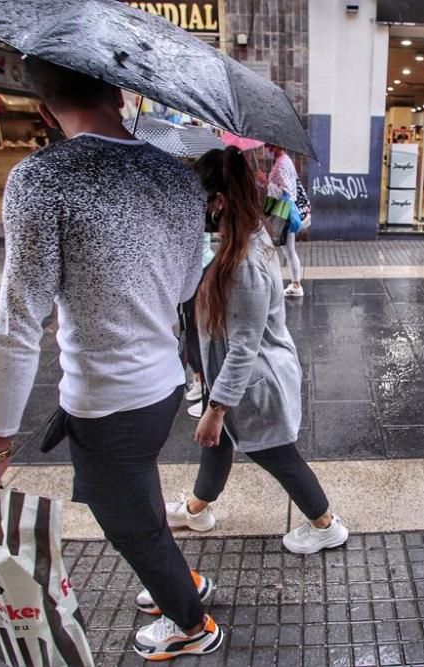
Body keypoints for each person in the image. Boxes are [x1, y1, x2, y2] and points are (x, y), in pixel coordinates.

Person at [0, 58, 223, 660]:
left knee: (127, 519)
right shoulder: (177, 177)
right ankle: (180, 582)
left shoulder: (42, 179)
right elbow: (185, 287)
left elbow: (17, 323)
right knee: (139, 497)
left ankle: (191, 624)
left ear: (47, 110)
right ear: (118, 93)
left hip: (106, 397)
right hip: (163, 385)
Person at [165, 146, 349, 554]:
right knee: (216, 445)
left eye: (200, 200)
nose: (196, 209)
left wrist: (215, 410)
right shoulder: (237, 238)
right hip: (237, 378)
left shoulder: (244, 261)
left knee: (277, 456)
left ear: (220, 201)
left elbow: (245, 346)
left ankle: (325, 524)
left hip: (256, 382)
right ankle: (197, 509)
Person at [264, 143, 305, 298]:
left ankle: (294, 285)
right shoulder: (286, 160)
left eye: (267, 145)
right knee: (288, 250)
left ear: (275, 146)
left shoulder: (280, 165)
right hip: (286, 210)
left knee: (279, 248)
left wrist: (265, 182)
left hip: (282, 211)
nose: (265, 149)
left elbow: (283, 192)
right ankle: (296, 284)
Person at [185, 232, 215, 420]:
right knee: (189, 330)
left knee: (198, 330)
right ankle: (200, 380)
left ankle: (209, 395)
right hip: (192, 270)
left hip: (198, 269)